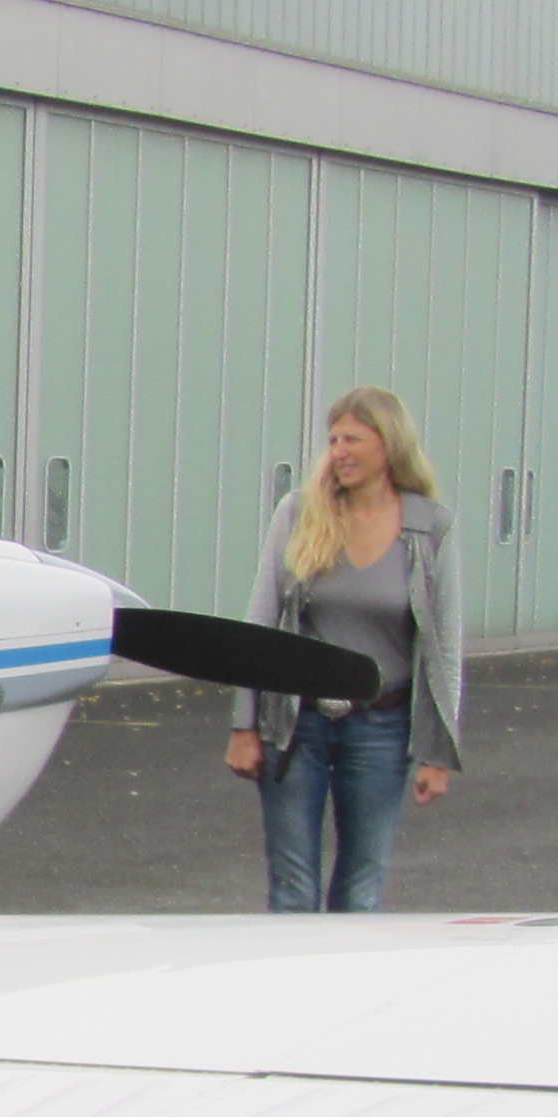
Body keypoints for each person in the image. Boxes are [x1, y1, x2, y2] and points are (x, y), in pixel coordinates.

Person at [223, 386, 464, 912]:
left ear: (389, 445)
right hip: (296, 724)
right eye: (333, 440)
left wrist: (437, 752)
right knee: (293, 887)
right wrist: (244, 726)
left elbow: (444, 645)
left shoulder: (428, 528)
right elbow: (259, 622)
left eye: (353, 439)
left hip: (381, 727)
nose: (339, 451)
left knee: (362, 886)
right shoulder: (300, 513)